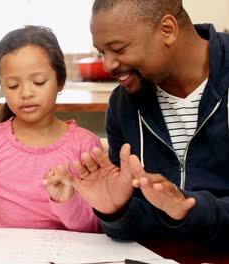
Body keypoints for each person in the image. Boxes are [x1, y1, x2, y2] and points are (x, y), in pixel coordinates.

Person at [45, 0, 229, 244]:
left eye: (118, 49)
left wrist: (188, 210)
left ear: (167, 29)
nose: (107, 65)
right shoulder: (123, 105)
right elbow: (137, 228)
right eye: (102, 52)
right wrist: (115, 211)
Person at [0, 25, 102, 240]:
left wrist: (66, 201)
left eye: (39, 82)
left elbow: (93, 228)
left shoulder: (85, 145)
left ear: (60, 81)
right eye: (13, 86)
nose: (26, 93)